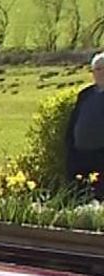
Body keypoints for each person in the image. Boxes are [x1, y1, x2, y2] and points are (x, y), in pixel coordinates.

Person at [64, 51, 104, 200]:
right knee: (80, 193)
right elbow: (74, 120)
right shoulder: (85, 94)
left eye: (102, 69)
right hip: (80, 153)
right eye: (97, 69)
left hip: (101, 154)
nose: (99, 73)